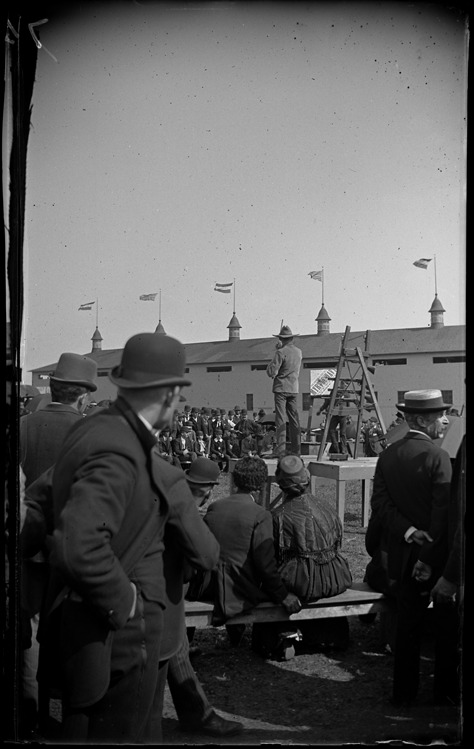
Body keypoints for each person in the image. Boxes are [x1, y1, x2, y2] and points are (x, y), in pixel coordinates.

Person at [33, 332, 220, 743]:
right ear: (167, 394)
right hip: (122, 635)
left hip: (80, 624)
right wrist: (126, 601)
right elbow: (79, 546)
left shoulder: (92, 430)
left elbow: (37, 505)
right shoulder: (124, 451)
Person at [19, 353, 98, 736]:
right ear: (83, 396)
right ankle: (71, 720)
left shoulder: (22, 426)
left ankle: (29, 714)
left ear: (52, 388)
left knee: (31, 630)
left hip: (29, 547)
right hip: (74, 550)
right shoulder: (91, 432)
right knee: (74, 630)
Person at [369, 389, 452, 707]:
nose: (445, 421)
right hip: (438, 560)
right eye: (439, 416)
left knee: (407, 628)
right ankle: (444, 694)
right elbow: (443, 515)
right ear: (419, 420)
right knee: (445, 630)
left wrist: (409, 531)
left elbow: (380, 504)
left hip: (403, 557)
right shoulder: (438, 457)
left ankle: (403, 694)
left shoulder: (387, 455)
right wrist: (429, 555)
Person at [158, 454, 243, 738]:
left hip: (151, 593)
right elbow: (199, 562)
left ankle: (195, 716)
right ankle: (199, 717)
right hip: (166, 595)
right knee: (173, 651)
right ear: (208, 491)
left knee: (174, 652)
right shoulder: (188, 513)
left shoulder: (163, 498)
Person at [188, 457, 301, 638]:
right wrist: (283, 595)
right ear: (261, 485)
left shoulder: (215, 507)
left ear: (235, 480)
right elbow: (265, 565)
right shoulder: (260, 515)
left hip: (209, 586)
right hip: (239, 590)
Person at [252, 455, 353, 657]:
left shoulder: (277, 516)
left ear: (280, 484)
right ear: (307, 478)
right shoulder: (327, 508)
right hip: (334, 579)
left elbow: (269, 563)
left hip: (301, 583)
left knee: (268, 583)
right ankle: (329, 636)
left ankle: (280, 636)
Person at [266, 324, 302, 458]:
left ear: (281, 339)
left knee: (280, 419)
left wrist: (276, 353)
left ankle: (281, 450)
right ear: (292, 338)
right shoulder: (299, 352)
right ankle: (296, 450)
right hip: (294, 388)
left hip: (281, 388)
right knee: (294, 419)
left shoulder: (280, 352)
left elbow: (272, 372)